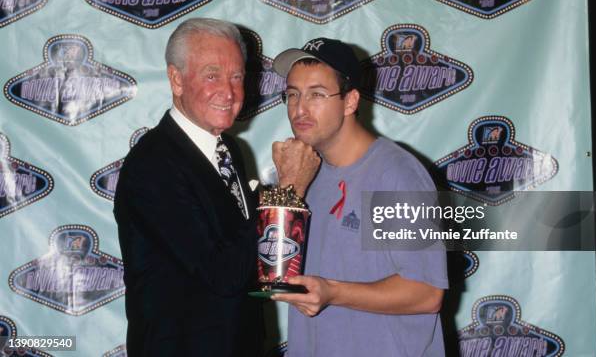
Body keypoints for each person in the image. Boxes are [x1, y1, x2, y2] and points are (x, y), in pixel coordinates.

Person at [271, 38, 448, 356]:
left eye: (317, 94)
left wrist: (333, 292)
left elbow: (426, 293)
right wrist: (288, 188)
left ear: (350, 102)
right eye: (293, 94)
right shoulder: (301, 174)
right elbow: (273, 273)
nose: (300, 109)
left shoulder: (393, 176)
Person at [113, 18, 269, 356]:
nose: (228, 92)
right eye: (212, 75)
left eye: (237, 76)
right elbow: (223, 274)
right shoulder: (153, 164)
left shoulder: (230, 152)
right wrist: (282, 194)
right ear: (176, 79)